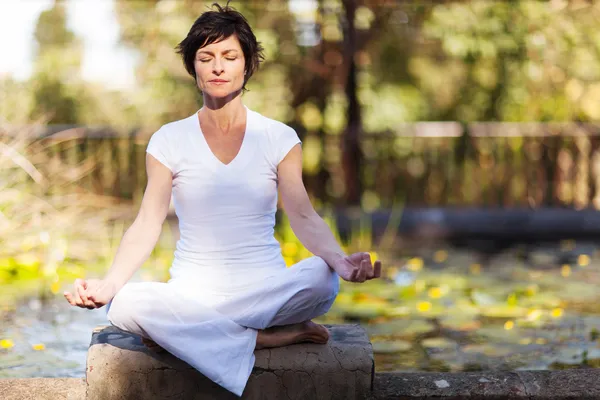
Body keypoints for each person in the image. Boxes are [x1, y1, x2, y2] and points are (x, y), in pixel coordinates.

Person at [63, 2, 381, 397]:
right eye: (206, 57)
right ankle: (262, 339)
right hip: (191, 293)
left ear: (246, 65)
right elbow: (147, 223)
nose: (217, 66)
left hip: (265, 289)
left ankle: (188, 335)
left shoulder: (278, 138)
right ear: (193, 67)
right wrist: (109, 284)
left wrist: (339, 260)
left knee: (321, 279)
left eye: (229, 56)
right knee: (126, 303)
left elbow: (302, 215)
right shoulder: (169, 140)